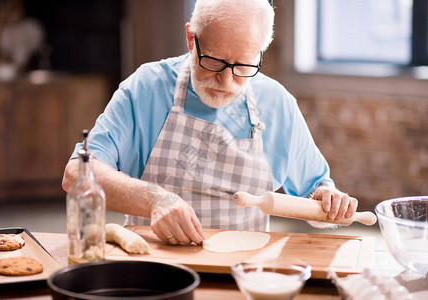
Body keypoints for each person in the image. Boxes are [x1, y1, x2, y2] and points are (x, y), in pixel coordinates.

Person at [62, 0, 358, 246]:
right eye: (214, 61)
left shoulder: (277, 104)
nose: (227, 81)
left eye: (243, 65)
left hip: (243, 272)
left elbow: (314, 191)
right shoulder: (146, 88)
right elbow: (77, 174)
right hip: (155, 266)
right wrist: (154, 198)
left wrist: (327, 199)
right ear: (191, 38)